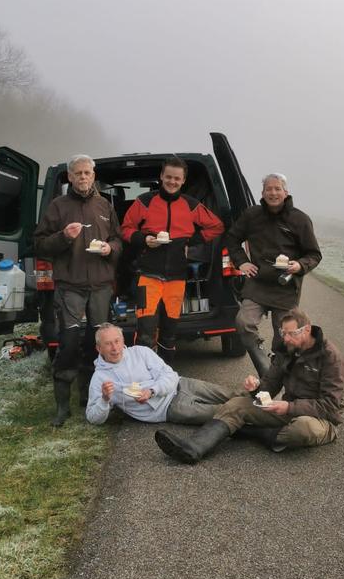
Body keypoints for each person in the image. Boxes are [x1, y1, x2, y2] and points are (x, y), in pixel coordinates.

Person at [154, 308, 344, 464]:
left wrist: (289, 406)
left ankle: (249, 432)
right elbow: (270, 385)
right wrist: (256, 387)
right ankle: (192, 448)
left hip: (320, 420)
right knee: (237, 404)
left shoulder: (329, 356)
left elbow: (330, 405)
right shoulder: (287, 350)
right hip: (288, 411)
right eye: (282, 333)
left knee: (303, 429)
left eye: (291, 333)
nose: (285, 339)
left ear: (307, 329)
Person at [34, 155, 122, 427]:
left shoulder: (104, 205)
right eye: (78, 173)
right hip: (70, 286)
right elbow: (39, 244)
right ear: (70, 178)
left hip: (99, 286)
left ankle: (89, 396)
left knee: (96, 344)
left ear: (94, 176)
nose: (83, 177)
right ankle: (62, 408)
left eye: (87, 173)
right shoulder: (57, 206)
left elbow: (117, 239)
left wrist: (111, 249)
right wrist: (64, 237)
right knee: (70, 343)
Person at [121, 155, 224, 365]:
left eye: (177, 178)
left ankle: (165, 378)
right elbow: (125, 229)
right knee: (146, 334)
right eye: (168, 177)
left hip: (177, 278)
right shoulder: (146, 201)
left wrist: (190, 240)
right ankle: (143, 379)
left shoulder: (190, 205)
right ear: (161, 176)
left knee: (169, 334)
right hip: (147, 276)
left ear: (183, 180)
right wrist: (143, 239)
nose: (172, 182)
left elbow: (217, 226)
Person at [227, 172, 322, 374]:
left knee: (284, 338)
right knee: (243, 323)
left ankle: (279, 374)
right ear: (262, 192)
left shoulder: (300, 219)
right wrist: (242, 262)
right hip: (258, 282)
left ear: (286, 192)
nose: (273, 192)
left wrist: (300, 265)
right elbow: (232, 239)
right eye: (269, 189)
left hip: (285, 286)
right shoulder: (252, 215)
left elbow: (314, 254)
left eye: (277, 188)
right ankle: (264, 365)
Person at [86, 323, 233, 425]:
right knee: (224, 412)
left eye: (117, 341)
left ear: (123, 340)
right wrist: (105, 400)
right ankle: (254, 416)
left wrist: (151, 391)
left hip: (181, 384)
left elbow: (169, 374)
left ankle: (254, 396)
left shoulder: (140, 352)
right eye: (108, 344)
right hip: (169, 408)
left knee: (231, 395)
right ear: (99, 348)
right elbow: (93, 417)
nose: (114, 348)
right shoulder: (100, 378)